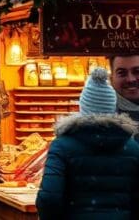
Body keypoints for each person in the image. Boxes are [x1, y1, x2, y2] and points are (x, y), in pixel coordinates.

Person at [36, 67, 139, 219]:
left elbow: (49, 198)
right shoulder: (132, 148)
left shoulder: (62, 146)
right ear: (113, 107)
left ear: (82, 106)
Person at [111, 55, 139, 132]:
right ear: (111, 78)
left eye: (137, 71)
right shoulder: (100, 120)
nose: (131, 79)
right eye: (122, 73)